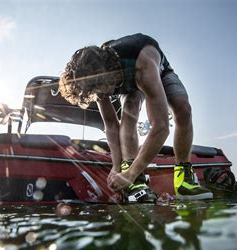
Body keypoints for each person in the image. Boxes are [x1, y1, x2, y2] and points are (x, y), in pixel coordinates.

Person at [59, 33, 213, 202]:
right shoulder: (96, 81)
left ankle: (184, 178)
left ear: (107, 73)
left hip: (159, 71)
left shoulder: (142, 66)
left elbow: (161, 127)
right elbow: (111, 124)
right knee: (130, 106)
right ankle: (136, 182)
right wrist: (117, 167)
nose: (104, 95)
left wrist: (131, 173)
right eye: (97, 93)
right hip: (124, 76)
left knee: (183, 110)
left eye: (103, 89)